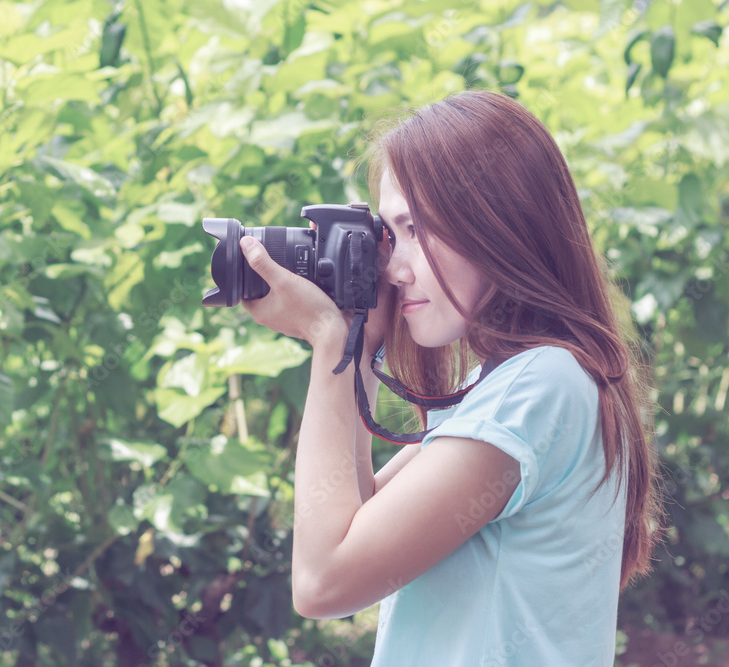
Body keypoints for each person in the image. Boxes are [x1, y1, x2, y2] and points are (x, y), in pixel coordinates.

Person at [237, 90, 666, 666]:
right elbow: (355, 521)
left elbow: (323, 582)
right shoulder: (522, 383)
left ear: (500, 223)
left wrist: (329, 344)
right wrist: (358, 346)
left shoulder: (540, 387)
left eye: (416, 228)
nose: (394, 267)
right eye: (390, 234)